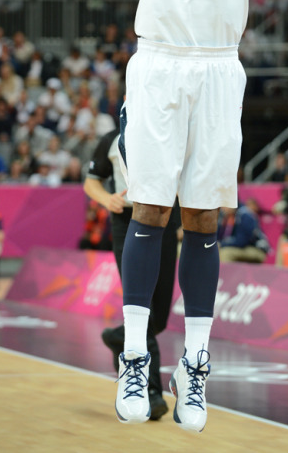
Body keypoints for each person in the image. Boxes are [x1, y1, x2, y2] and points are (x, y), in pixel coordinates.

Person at [96, 0, 264, 433]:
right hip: (160, 67)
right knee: (149, 211)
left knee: (204, 219)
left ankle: (194, 365)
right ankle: (138, 353)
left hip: (219, 71)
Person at [84, 128, 179, 421]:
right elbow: (91, 182)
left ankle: (118, 337)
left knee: (160, 314)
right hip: (127, 221)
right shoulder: (111, 138)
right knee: (143, 307)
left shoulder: (168, 133)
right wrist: (107, 199)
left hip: (165, 220)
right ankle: (152, 392)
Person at [218, 198, 270, 263]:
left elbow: (242, 241)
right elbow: (219, 237)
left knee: (225, 253)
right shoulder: (225, 216)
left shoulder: (245, 215)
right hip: (242, 247)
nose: (222, 208)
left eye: (224, 205)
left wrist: (222, 244)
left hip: (256, 249)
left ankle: (226, 273)